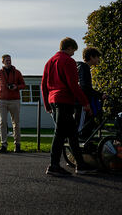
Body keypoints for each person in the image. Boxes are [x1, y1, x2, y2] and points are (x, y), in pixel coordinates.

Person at [41, 37, 96, 176]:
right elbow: (73, 85)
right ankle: (54, 165)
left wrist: (47, 104)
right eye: (73, 51)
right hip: (64, 100)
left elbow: (43, 84)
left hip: (53, 99)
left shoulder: (50, 61)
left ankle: (80, 165)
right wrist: (85, 103)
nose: (73, 54)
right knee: (60, 133)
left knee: (72, 134)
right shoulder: (68, 61)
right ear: (70, 47)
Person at [0, 54, 26, 153]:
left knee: (16, 123)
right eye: (6, 60)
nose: (9, 61)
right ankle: (3, 145)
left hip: (14, 100)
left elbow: (23, 85)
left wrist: (16, 87)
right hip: (2, 100)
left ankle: (17, 145)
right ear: (3, 62)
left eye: (10, 60)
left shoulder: (17, 72)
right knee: (2, 122)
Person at [75, 47, 104, 139]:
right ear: (91, 57)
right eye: (97, 57)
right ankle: (77, 147)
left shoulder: (80, 67)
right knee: (80, 127)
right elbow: (85, 87)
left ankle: (84, 145)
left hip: (81, 101)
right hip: (82, 102)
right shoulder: (84, 68)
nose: (98, 59)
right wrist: (100, 95)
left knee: (89, 124)